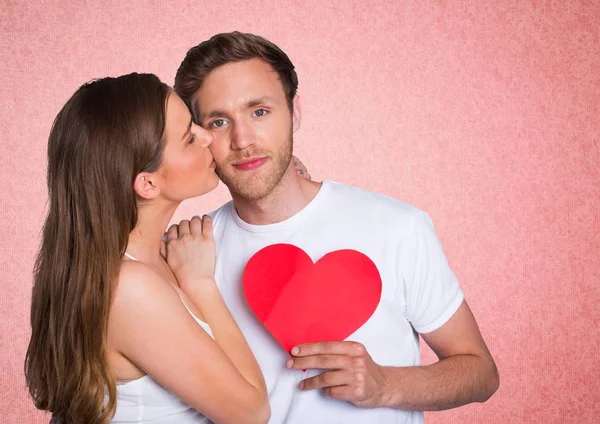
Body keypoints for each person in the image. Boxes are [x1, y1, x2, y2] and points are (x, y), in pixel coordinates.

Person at [173, 31, 500, 424]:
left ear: (294, 112)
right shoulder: (185, 257)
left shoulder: (397, 227)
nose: (242, 140)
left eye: (260, 112)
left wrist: (386, 384)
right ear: (199, 135)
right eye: (220, 121)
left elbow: (481, 372)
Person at [25, 72, 311, 423]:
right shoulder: (130, 288)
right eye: (190, 138)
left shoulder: (156, 256)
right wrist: (200, 285)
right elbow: (250, 413)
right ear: (147, 183)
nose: (208, 135)